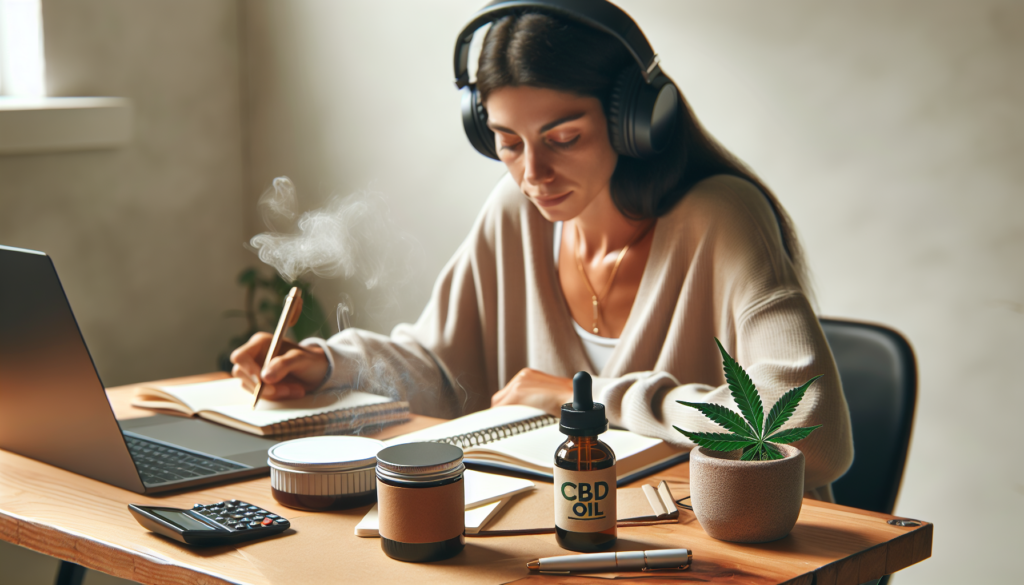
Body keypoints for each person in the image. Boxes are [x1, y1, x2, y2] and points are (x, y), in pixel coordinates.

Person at [230, 1, 853, 498]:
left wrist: (584, 401)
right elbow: (444, 366)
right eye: (507, 141)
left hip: (721, 558)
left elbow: (809, 434)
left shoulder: (719, 217)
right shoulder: (516, 210)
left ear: (635, 120)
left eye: (564, 137)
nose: (534, 173)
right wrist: (325, 364)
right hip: (569, 535)